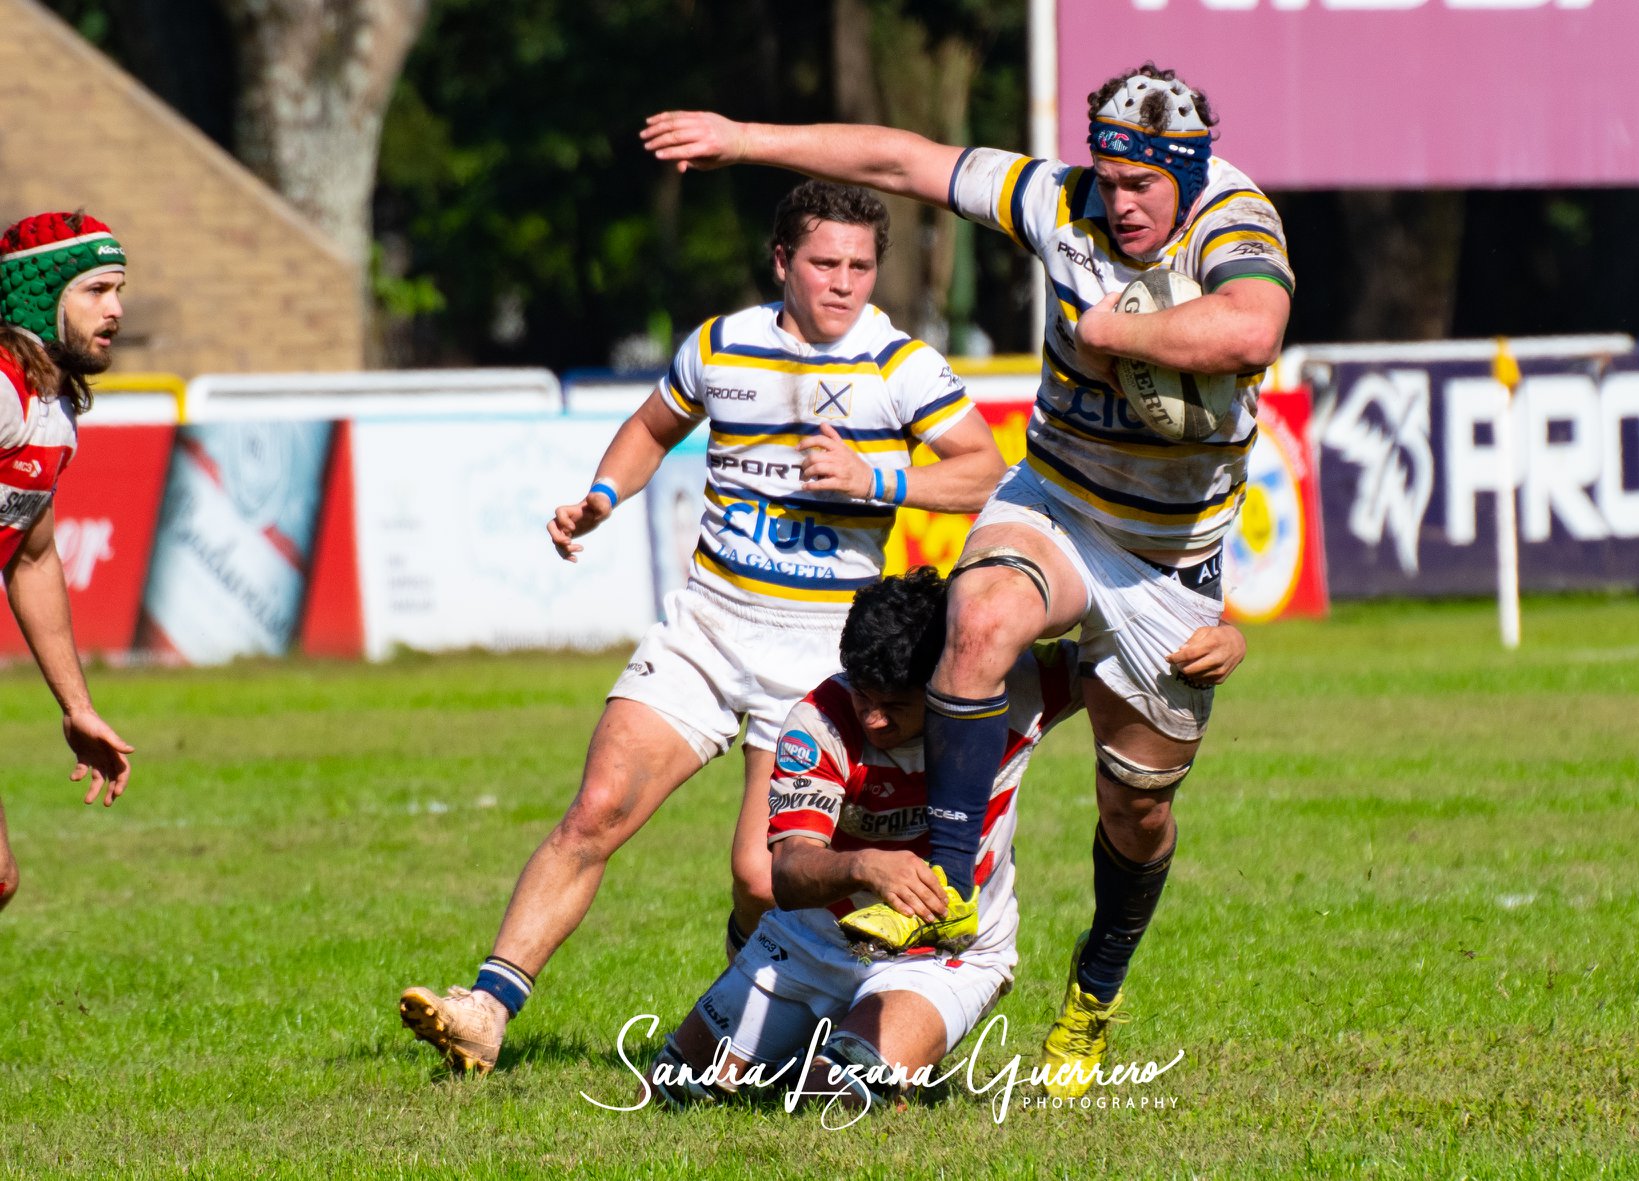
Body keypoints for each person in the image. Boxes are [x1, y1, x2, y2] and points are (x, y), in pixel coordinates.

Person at [642, 60, 1293, 1095]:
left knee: (1137, 812)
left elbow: (1250, 328)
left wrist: (1108, 330)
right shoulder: (1055, 200)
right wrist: (743, 135)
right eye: (1107, 180)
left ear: (1185, 172)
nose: (1118, 203)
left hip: (1169, 559)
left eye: (1141, 187)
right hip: (1058, 503)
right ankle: (945, 884)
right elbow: (899, 159)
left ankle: (1092, 990)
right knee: (979, 618)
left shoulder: (1232, 221)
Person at [400, 181, 1006, 1073]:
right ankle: (486, 1007)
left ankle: (757, 1017)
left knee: (763, 877)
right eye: (824, 263)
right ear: (781, 262)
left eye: (861, 266)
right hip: (709, 624)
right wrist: (603, 495)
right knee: (596, 810)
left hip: (819, 656)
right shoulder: (723, 345)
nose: (843, 283)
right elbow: (652, 425)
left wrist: (877, 483)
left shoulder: (901, 367)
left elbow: (983, 471)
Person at [645, 569, 1245, 1112]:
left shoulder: (1015, 688)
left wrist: (1229, 637)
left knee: (837, 1095)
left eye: (896, 706)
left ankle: (854, 1052)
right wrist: (864, 868)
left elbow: (1128, 654)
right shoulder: (820, 723)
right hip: (810, 944)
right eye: (863, 695)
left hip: (949, 955)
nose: (874, 720)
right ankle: (802, 1032)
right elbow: (789, 871)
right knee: (672, 1089)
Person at [0, 210, 138, 912]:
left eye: (118, 289)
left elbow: (31, 553)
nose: (115, 309)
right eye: (95, 290)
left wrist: (77, 707)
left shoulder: (50, 407)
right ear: (38, 297)